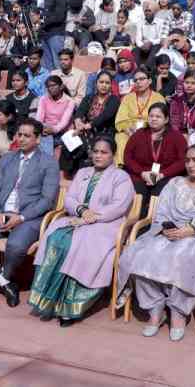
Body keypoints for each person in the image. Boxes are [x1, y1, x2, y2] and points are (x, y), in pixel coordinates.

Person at [118, 144, 195, 342]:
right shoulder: (174, 183)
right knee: (141, 254)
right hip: (168, 233)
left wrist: (191, 230)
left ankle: (178, 313)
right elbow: (161, 213)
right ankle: (155, 309)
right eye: (187, 160)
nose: (190, 165)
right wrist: (166, 228)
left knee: (182, 256)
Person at [29, 136, 134, 326]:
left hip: (107, 225)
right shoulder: (83, 172)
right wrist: (82, 211)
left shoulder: (121, 177)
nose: (98, 156)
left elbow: (119, 206)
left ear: (113, 155)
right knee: (56, 236)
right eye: (95, 151)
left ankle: (71, 307)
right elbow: (70, 199)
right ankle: (49, 300)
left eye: (104, 152)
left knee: (81, 244)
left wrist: (93, 217)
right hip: (78, 218)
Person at [0, 118, 61, 308]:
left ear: (38, 139)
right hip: (1, 213)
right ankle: (5, 283)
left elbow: (47, 199)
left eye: (27, 136)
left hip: (29, 217)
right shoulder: (7, 158)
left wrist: (22, 217)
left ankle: (0, 279)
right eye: (19, 135)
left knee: (16, 246)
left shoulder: (48, 163)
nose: (22, 139)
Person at [125, 102, 187, 217]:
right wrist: (142, 173)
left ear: (166, 119)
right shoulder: (139, 134)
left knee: (160, 194)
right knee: (138, 195)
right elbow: (128, 157)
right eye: (151, 116)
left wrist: (162, 175)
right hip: (141, 175)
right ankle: (135, 225)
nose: (153, 119)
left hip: (166, 176)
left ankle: (155, 225)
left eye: (158, 117)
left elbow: (183, 161)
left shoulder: (176, 137)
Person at [61, 71, 120, 176]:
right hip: (86, 130)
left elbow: (106, 116)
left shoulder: (114, 99)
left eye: (107, 83)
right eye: (101, 82)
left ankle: (87, 170)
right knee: (70, 139)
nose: (104, 85)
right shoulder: (89, 97)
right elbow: (79, 112)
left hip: (104, 131)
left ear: (111, 85)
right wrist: (78, 122)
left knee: (87, 143)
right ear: (96, 83)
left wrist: (88, 125)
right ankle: (71, 172)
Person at [114, 68, 165, 164]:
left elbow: (161, 119)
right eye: (135, 80)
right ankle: (121, 168)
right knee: (120, 138)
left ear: (149, 81)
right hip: (129, 131)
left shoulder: (158, 98)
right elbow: (120, 120)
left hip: (151, 130)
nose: (138, 82)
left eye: (142, 79)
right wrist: (128, 129)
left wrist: (145, 128)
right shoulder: (128, 98)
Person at [36, 76, 74, 157]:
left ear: (61, 86)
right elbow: (39, 118)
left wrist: (54, 129)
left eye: (53, 85)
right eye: (48, 86)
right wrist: (41, 128)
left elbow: (64, 122)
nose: (50, 88)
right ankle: (47, 161)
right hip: (46, 130)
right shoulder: (43, 99)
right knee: (45, 136)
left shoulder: (70, 101)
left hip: (63, 132)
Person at [169, 70, 195, 135]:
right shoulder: (176, 100)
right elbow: (174, 124)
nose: (189, 86)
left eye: (193, 83)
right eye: (186, 82)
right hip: (181, 135)